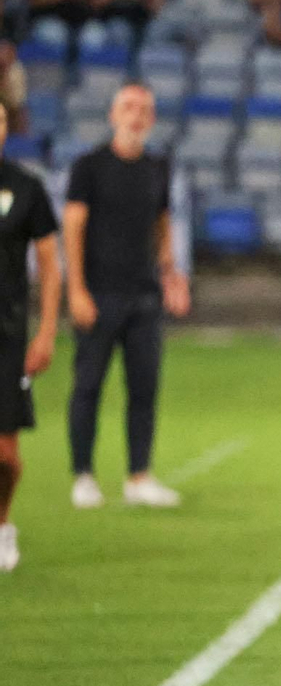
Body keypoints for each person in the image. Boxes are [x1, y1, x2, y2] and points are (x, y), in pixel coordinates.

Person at [63, 85, 190, 511]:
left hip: (144, 297)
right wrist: (76, 289)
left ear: (152, 119)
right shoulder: (89, 166)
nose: (137, 116)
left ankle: (139, 475)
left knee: (144, 388)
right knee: (88, 386)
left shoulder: (158, 167)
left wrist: (171, 272)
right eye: (129, 107)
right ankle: (83, 474)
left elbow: (162, 220)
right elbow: (73, 228)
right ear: (113, 114)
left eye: (145, 109)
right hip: (98, 294)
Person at [0, 103, 61, 572]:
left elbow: (48, 264)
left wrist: (45, 332)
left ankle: (3, 525)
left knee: (5, 456)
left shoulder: (26, 187)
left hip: (8, 335)